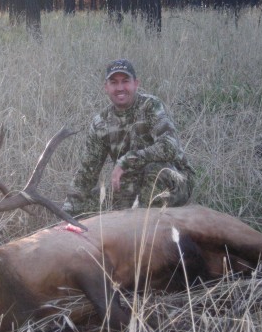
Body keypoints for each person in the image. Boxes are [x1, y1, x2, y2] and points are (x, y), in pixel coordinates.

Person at [63, 59, 194, 216]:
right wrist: (67, 212)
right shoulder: (101, 123)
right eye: (114, 82)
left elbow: (169, 147)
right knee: (89, 203)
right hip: (131, 182)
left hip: (175, 178)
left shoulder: (151, 106)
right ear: (106, 87)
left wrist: (126, 161)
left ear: (136, 84)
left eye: (125, 81)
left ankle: (146, 233)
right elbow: (87, 172)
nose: (120, 88)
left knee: (155, 172)